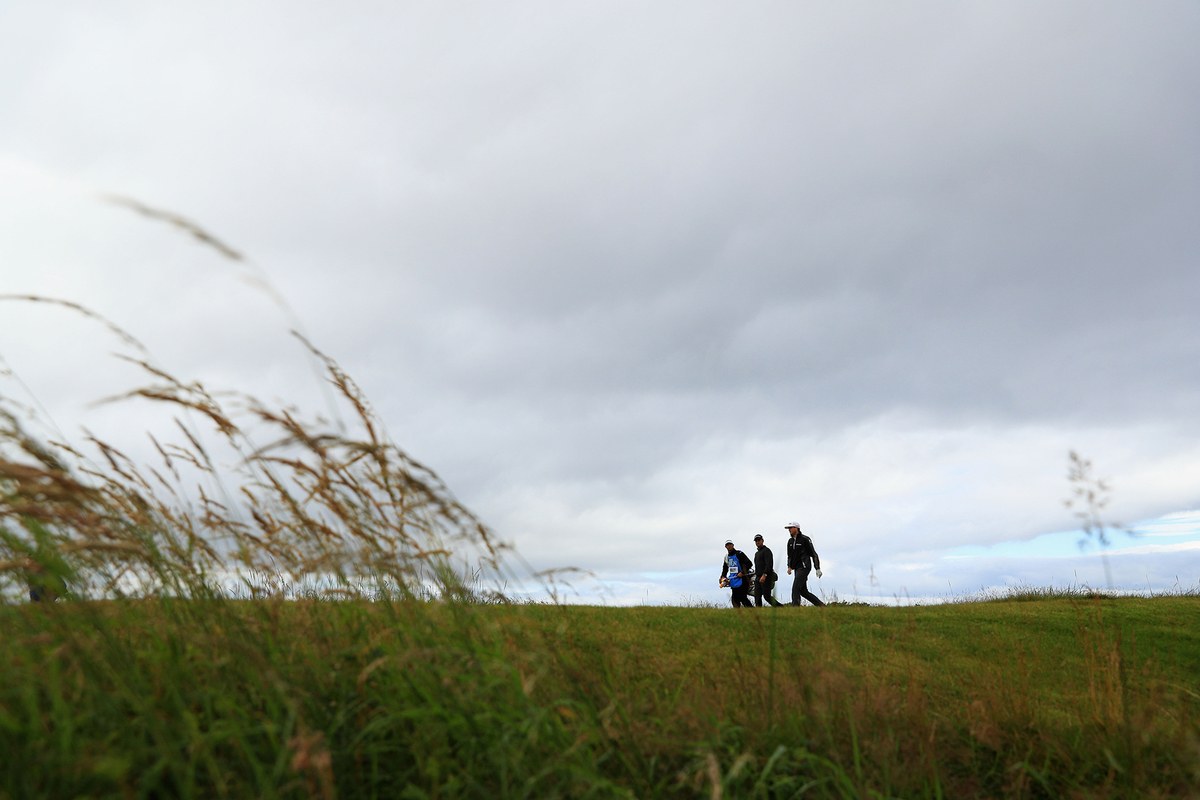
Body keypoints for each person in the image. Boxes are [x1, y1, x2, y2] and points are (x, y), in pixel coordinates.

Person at [784, 522, 825, 607]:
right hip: (796, 568)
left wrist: (817, 568)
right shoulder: (790, 541)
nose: (789, 530)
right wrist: (789, 566)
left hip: (804, 566)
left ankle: (795, 608)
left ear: (797, 528)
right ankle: (821, 606)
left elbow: (814, 554)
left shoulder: (805, 539)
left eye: (791, 528)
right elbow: (790, 556)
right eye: (789, 528)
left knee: (795, 587)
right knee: (803, 591)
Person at [718, 539, 754, 608]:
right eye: (727, 545)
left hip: (743, 579)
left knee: (742, 597)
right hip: (733, 580)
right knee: (735, 599)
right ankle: (738, 614)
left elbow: (749, 563)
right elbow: (725, 569)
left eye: (730, 544)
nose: (729, 546)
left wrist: (742, 572)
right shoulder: (726, 557)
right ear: (725, 547)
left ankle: (752, 611)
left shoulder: (739, 554)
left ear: (733, 545)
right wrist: (722, 577)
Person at [751, 534, 784, 606]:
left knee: (767, 596)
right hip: (758, 577)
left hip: (766, 577)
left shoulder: (766, 551)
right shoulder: (757, 553)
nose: (757, 542)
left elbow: (769, 564)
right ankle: (759, 612)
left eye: (759, 540)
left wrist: (764, 575)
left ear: (762, 540)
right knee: (757, 596)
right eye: (756, 541)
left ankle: (781, 607)